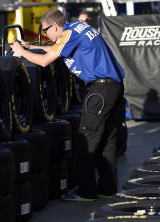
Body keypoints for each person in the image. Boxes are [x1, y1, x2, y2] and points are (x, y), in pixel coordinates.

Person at [11, 9, 125, 201]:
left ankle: (86, 192)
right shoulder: (76, 29)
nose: (46, 34)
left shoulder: (69, 33)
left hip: (101, 90)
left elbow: (45, 61)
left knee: (85, 139)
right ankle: (108, 189)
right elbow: (56, 50)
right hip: (114, 87)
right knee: (106, 141)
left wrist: (21, 52)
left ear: (55, 26)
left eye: (46, 30)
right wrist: (30, 46)